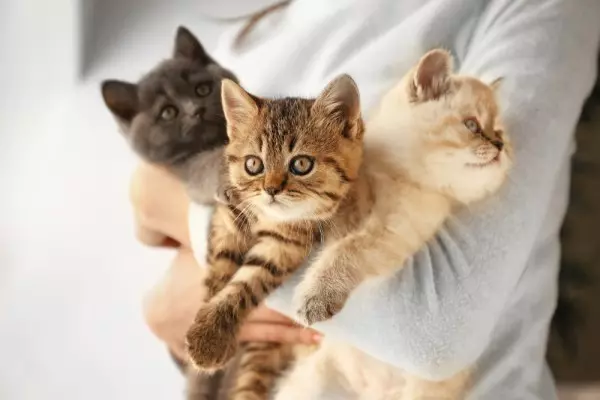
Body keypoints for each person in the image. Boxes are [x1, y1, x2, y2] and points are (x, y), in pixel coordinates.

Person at [134, 0, 600, 398]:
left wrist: (168, 206)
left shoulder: (537, 9)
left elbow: (434, 330)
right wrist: (171, 308)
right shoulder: (257, 33)